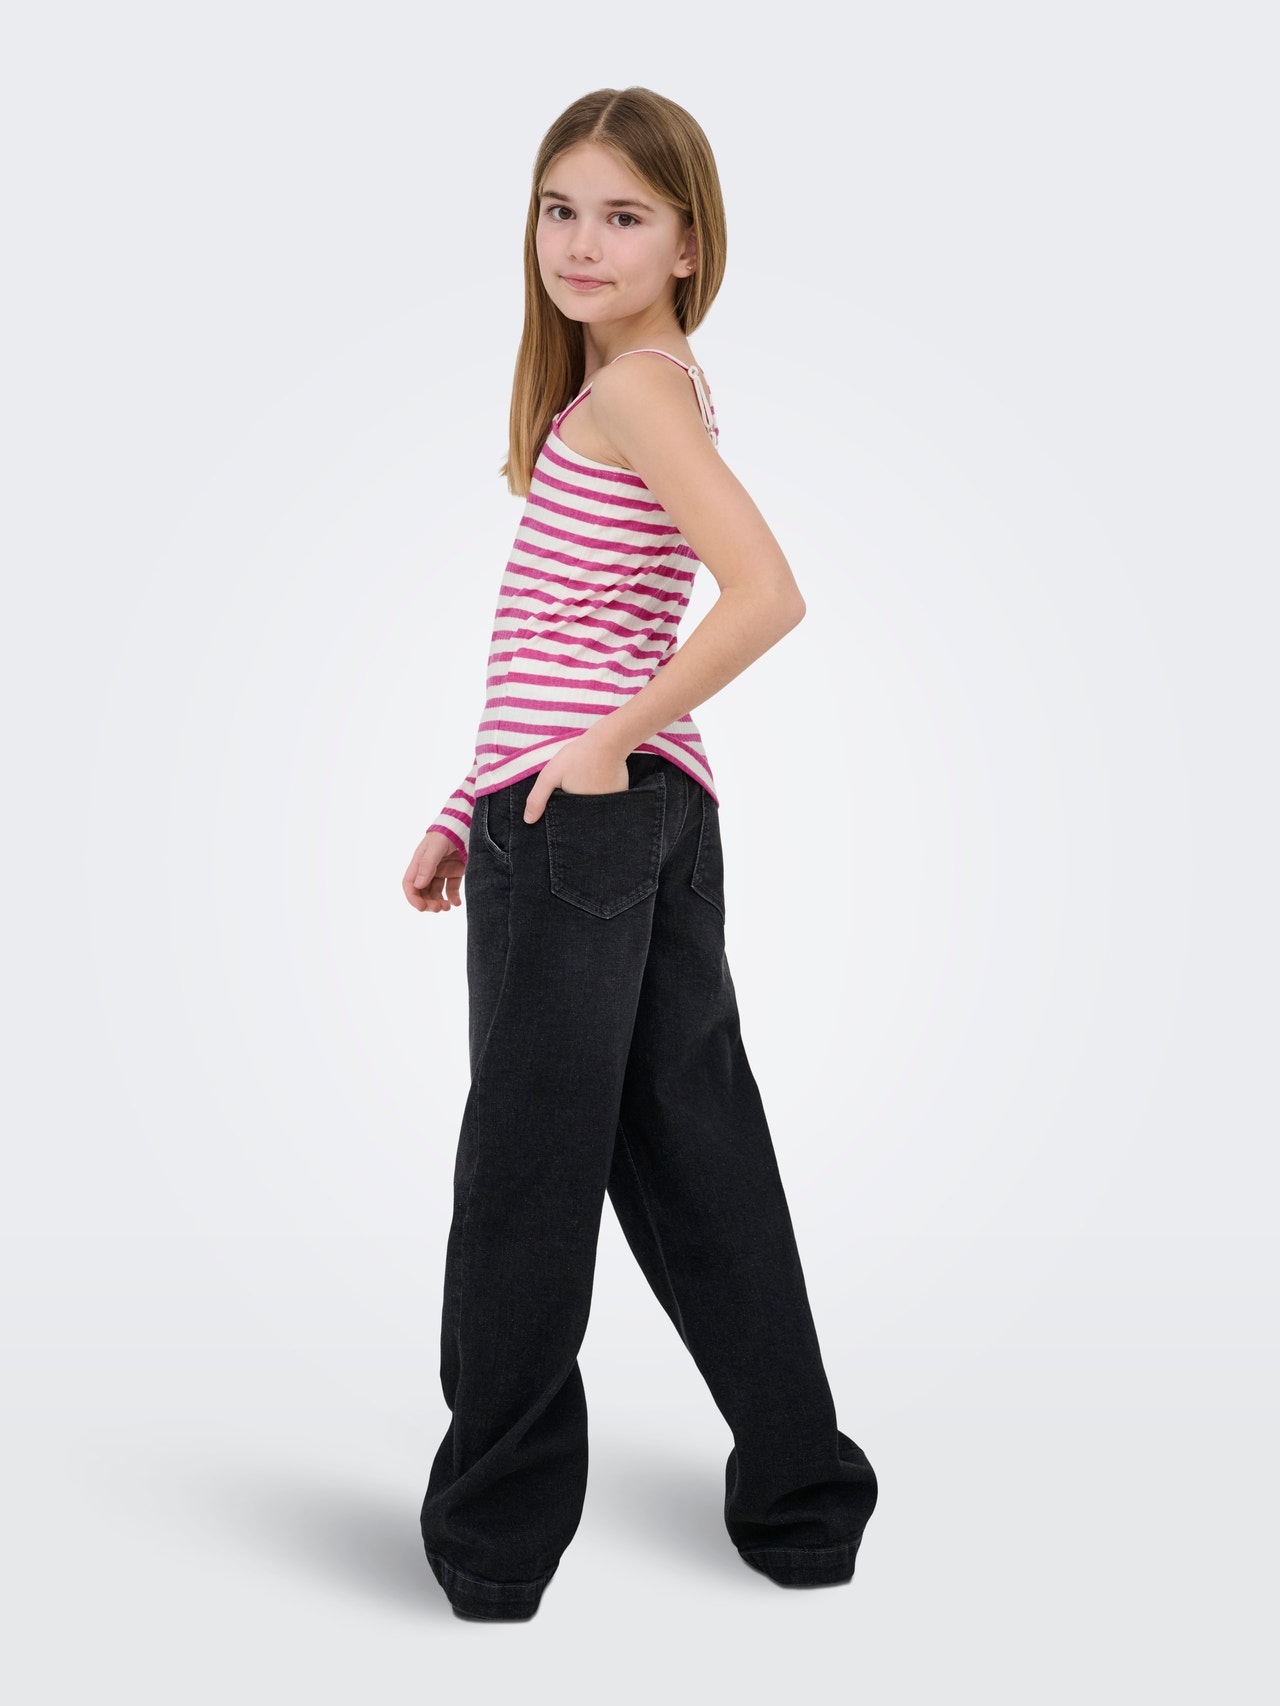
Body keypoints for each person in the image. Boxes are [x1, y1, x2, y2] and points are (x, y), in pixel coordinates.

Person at [402, 85, 878, 1622]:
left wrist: (593, 750)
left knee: (527, 1170)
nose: (581, 242)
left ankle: (493, 1538)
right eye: (560, 209)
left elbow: (765, 591)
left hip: (586, 817)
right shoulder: (633, 387)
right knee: (698, 1152)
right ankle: (804, 1497)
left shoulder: (636, 392)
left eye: (624, 215)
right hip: (627, 809)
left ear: (687, 243)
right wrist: (463, 797)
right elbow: (568, 639)